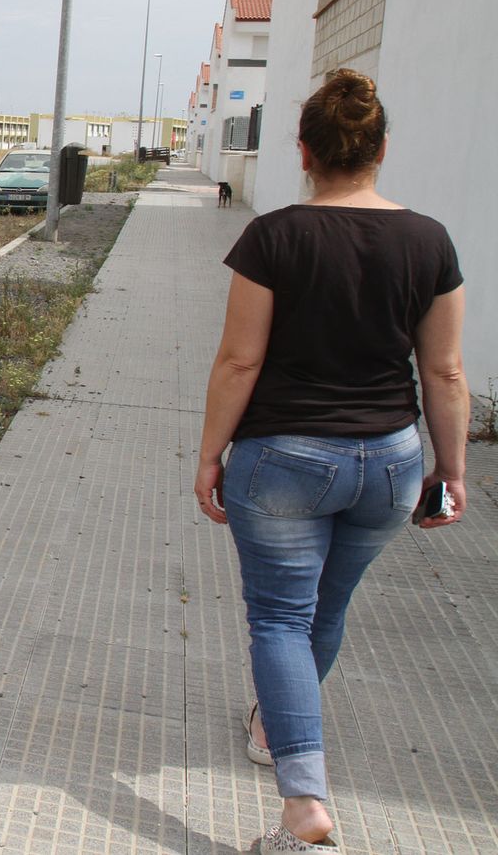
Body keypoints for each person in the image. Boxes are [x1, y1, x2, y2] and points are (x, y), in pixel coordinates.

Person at [194, 69, 468, 853]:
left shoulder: (274, 237)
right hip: (388, 463)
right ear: (380, 150)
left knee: (280, 617)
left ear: (305, 152)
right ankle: (272, 725)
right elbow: (445, 371)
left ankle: (304, 803)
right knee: (328, 606)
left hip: (282, 458)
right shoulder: (429, 240)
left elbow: (238, 362)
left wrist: (210, 453)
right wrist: (451, 472)